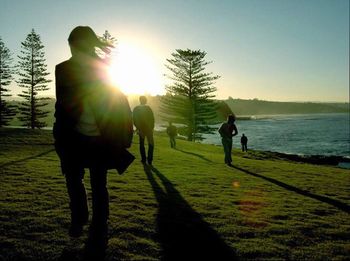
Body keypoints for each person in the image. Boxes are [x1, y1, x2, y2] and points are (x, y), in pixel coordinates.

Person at [53, 26, 134, 242]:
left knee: (99, 182)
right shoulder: (62, 69)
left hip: (101, 138)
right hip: (73, 137)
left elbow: (118, 101)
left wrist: (124, 135)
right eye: (69, 45)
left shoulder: (102, 69)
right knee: (73, 179)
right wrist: (58, 136)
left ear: (83, 45)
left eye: (73, 45)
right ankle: (79, 219)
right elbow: (61, 105)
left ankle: (100, 222)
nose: (71, 49)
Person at [133, 96, 155, 165]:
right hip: (148, 129)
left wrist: (139, 129)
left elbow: (135, 120)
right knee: (151, 144)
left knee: (142, 144)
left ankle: (143, 159)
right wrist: (151, 128)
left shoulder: (136, 109)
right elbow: (152, 119)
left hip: (141, 129)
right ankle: (149, 159)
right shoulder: (148, 108)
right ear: (145, 101)